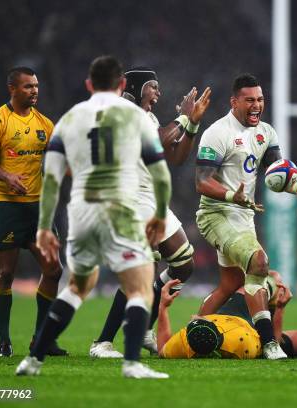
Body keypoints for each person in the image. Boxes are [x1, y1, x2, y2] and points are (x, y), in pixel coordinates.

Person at [15, 56, 172, 378]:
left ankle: (32, 360)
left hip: (82, 212)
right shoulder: (137, 116)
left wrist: (44, 226)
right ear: (123, 85)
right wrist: (158, 213)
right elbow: (161, 174)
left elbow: (52, 178)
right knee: (142, 287)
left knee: (77, 286)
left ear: (89, 84)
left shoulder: (71, 118)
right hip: (121, 209)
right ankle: (132, 363)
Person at [89, 67, 211, 358]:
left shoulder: (150, 118)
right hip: (129, 200)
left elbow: (175, 156)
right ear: (136, 87)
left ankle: (144, 328)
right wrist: (183, 115)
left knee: (184, 266)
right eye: (152, 86)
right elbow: (157, 140)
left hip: (151, 199)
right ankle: (102, 343)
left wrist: (192, 124)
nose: (158, 91)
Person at [194, 73, 297, 359]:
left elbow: (277, 174)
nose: (256, 105)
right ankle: (269, 343)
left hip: (243, 217)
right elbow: (201, 181)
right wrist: (229, 195)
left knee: (230, 285)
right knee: (259, 263)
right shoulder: (217, 132)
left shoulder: (267, 132)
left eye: (260, 99)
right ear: (234, 102)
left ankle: (192, 331)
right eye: (249, 100)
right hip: (216, 214)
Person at [0, 67, 65, 357]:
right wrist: (7, 177)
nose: (34, 91)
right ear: (12, 89)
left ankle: (40, 339)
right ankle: (4, 341)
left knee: (53, 269)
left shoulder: (45, 124)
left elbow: (58, 159)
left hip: (39, 208)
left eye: (36, 86)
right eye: (28, 87)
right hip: (7, 207)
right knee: (5, 274)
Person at [157, 272, 297, 359]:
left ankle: (266, 304)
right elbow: (273, 343)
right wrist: (280, 308)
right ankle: (268, 307)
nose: (195, 318)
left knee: (271, 277)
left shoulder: (184, 343)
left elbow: (162, 347)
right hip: (252, 330)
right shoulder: (242, 344)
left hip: (233, 314)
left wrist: (163, 307)